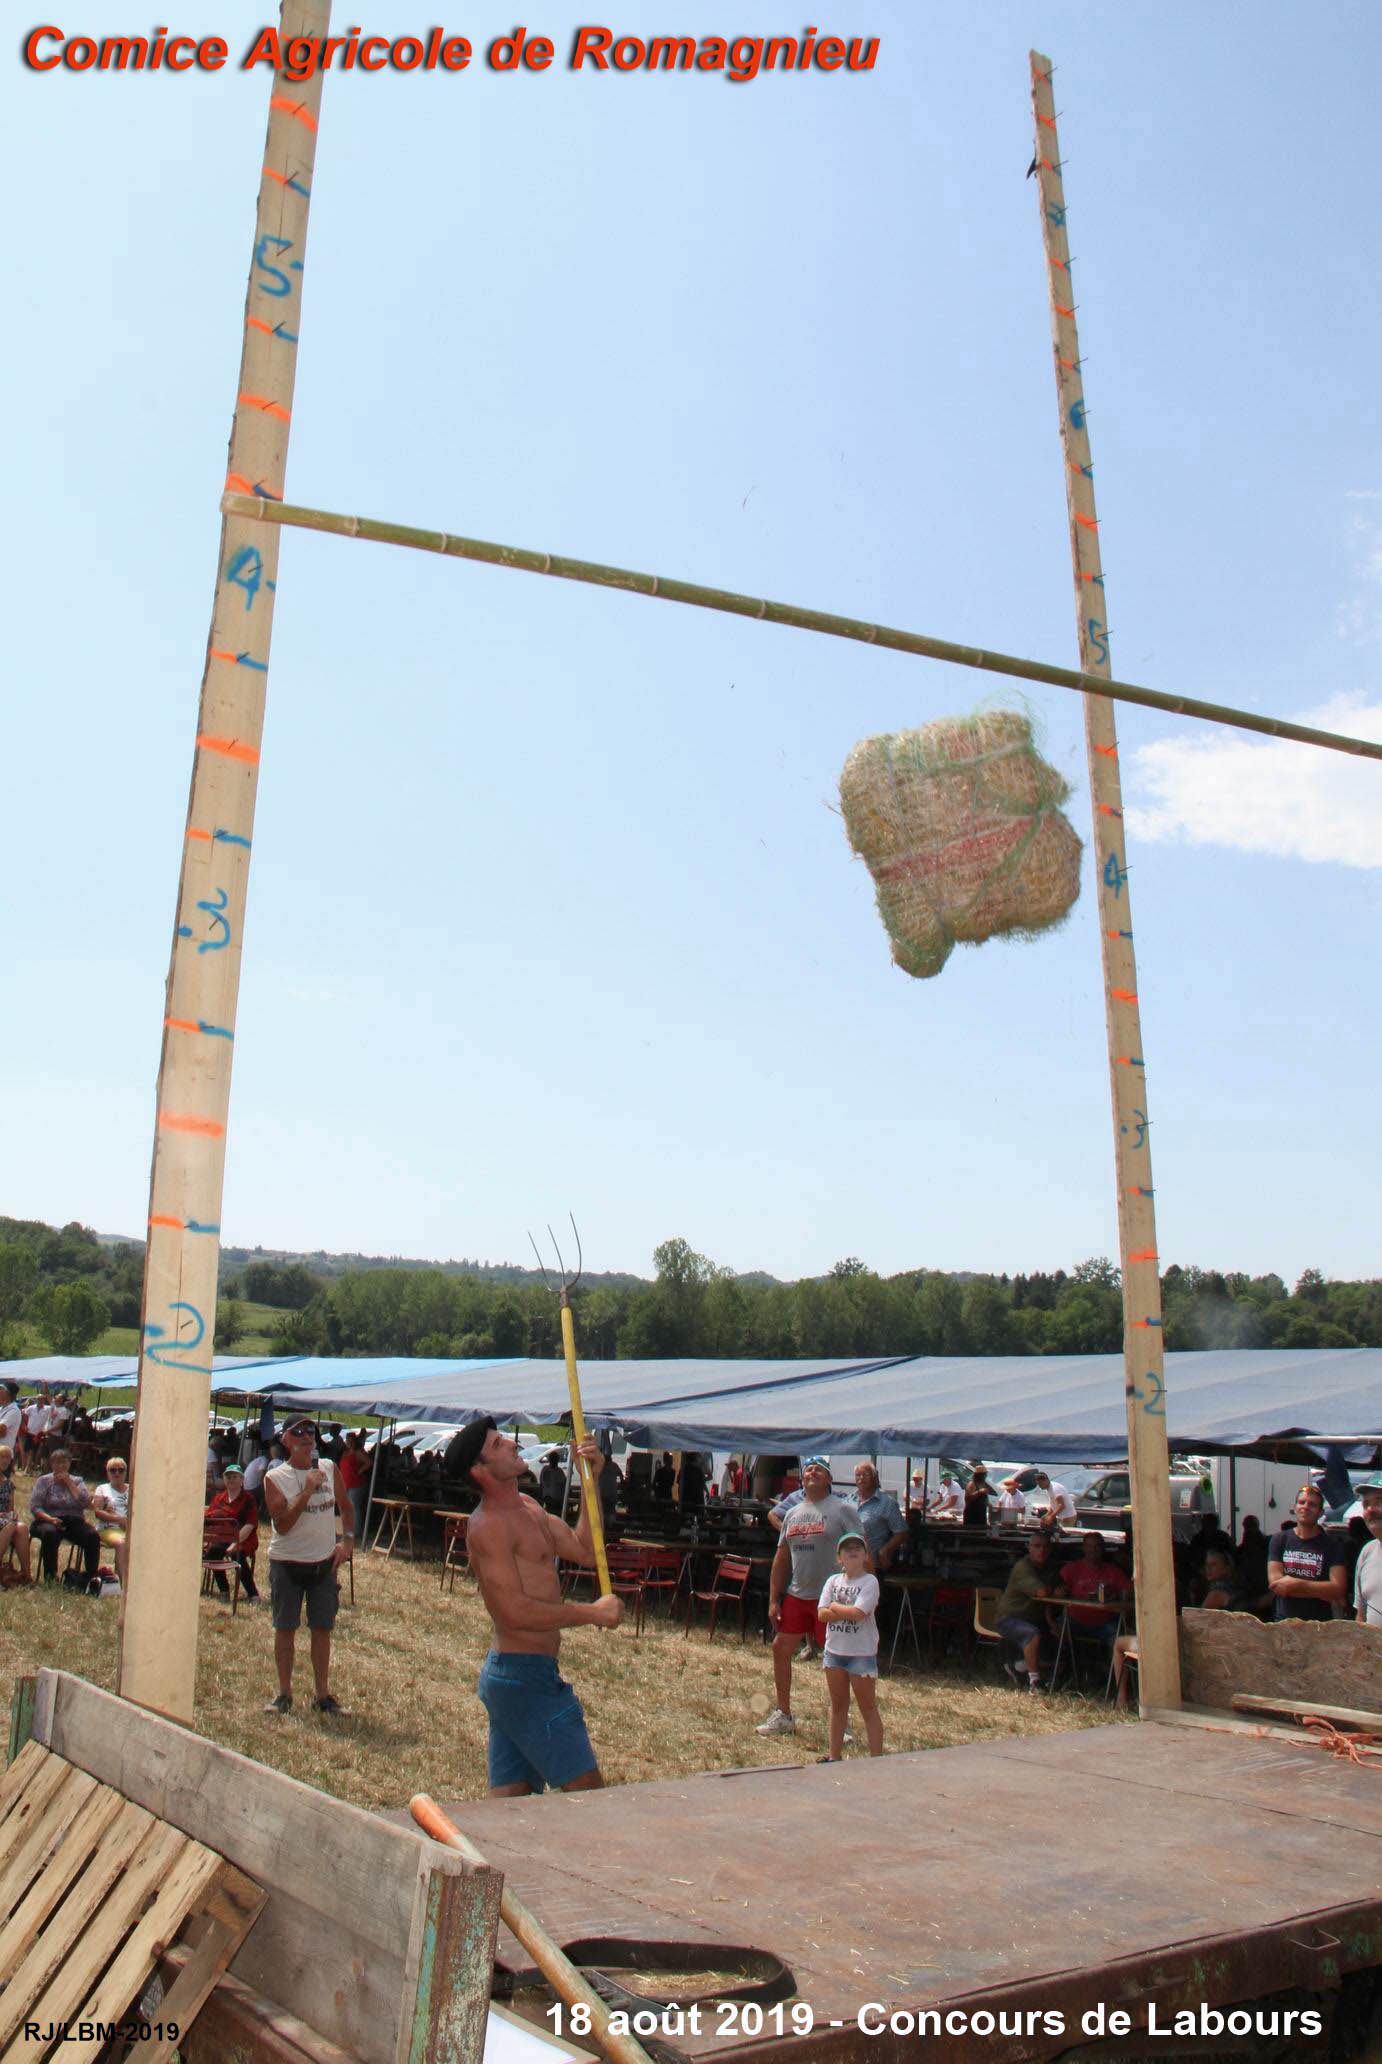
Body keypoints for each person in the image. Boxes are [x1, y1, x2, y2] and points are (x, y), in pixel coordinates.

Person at [456, 1417, 622, 1794]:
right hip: (522, 1678)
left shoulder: (529, 1507)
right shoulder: (488, 1526)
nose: (511, 1444)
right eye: (497, 1445)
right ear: (479, 1471)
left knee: (513, 1806)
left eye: (504, 1438)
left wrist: (591, 1480)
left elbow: (585, 1550)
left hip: (527, 1675)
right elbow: (513, 1612)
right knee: (590, 1797)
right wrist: (593, 1613)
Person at [757, 1457, 859, 1738]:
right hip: (798, 1593)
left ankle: (842, 1723)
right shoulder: (792, 1513)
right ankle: (783, 1715)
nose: (812, 1472)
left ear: (829, 1480)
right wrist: (774, 1600)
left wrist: (865, 1593)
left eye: (819, 1470)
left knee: (835, 1659)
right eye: (808, 1470)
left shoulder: (843, 1510)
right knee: (781, 1647)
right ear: (802, 1480)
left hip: (832, 1597)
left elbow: (861, 1553)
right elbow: (781, 1559)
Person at [263, 1418, 354, 1715]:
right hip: (287, 1563)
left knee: (322, 1628)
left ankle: (322, 1696)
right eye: (298, 1432)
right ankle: (284, 1695)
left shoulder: (328, 1467)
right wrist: (306, 1491)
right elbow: (283, 1525)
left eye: (311, 1431)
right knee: (285, 1628)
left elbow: (346, 1506)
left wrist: (347, 1542)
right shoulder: (275, 1477)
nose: (306, 1436)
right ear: (285, 1440)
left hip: (323, 1564)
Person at [817, 1532, 884, 1761]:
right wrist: (841, 1611)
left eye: (858, 1548)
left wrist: (835, 1607)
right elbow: (821, 1614)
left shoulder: (870, 1582)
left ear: (866, 1556)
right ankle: (834, 1756)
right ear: (839, 1558)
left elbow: (858, 1613)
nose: (853, 1551)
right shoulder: (832, 1581)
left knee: (868, 1707)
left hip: (861, 1654)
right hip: (834, 1653)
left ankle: (877, 1758)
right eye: (847, 1549)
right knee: (838, 1707)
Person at [1268, 1484, 1348, 1621]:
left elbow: (1338, 1589)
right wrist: (1321, 1591)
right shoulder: (1279, 1539)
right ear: (1294, 1508)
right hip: (1284, 1623)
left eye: (1312, 1504)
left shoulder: (1333, 1546)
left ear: (1321, 1512)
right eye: (1301, 1502)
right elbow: (1277, 1585)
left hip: (1319, 1625)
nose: (1305, 1507)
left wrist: (1295, 1584)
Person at [1052, 1532, 1132, 1660]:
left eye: (1097, 1546)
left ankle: (1114, 1671)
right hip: (1074, 1620)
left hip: (1104, 1622)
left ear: (1103, 1548)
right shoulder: (1071, 1569)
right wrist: (1059, 1592)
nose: (1093, 1550)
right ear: (1083, 1548)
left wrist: (1116, 1596)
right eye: (1089, 1546)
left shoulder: (1113, 1571)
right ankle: (1065, 1668)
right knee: (1054, 1632)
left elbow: (1129, 1592)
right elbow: (1055, 1590)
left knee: (1121, 1641)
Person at [994, 1531, 1056, 1692]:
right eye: (1037, 1546)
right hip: (1009, 1619)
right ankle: (1035, 1683)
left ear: (1050, 1549)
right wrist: (1054, 1590)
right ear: (1029, 1548)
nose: (1041, 1550)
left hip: (1035, 1619)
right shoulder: (1023, 1567)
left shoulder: (1049, 1567)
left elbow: (1060, 1589)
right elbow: (1042, 1592)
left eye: (1045, 1547)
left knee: (1062, 1633)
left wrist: (1052, 1622)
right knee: (1032, 1634)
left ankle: (1022, 1668)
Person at [30, 1448, 99, 1583]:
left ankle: (90, 1577)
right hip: (47, 1520)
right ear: (51, 1464)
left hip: (73, 1521)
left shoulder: (77, 1481)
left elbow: (85, 1503)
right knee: (50, 1533)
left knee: (92, 1535)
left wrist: (69, 1483)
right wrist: (50, 1519)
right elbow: (35, 1507)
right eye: (57, 1462)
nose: (60, 1466)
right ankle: (50, 1577)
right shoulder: (44, 1481)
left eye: (64, 1462)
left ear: (69, 1463)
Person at [205, 1461, 261, 1602]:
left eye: (235, 1476)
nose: (231, 1479)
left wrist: (234, 1543)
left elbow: (250, 1525)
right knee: (213, 1552)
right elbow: (208, 1519)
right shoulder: (218, 1498)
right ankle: (224, 1591)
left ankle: (253, 1594)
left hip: (243, 1539)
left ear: (242, 1479)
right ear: (224, 1480)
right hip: (222, 1538)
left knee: (237, 1554)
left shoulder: (248, 1499)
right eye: (228, 1477)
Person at [851, 1463, 907, 1572]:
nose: (861, 1478)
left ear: (875, 1477)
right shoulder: (848, 1500)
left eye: (866, 1475)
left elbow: (902, 1533)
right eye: (858, 1475)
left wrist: (885, 1550)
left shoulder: (887, 1503)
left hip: (872, 1566)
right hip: (848, 1564)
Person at [90, 1454, 131, 1588]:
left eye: (121, 1470)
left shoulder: (132, 1489)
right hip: (107, 1529)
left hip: (130, 1529)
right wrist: (120, 1519)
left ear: (126, 1472)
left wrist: (129, 1523)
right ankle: (123, 1585)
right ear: (107, 1473)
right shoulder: (102, 1489)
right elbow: (98, 1512)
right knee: (122, 1543)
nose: (117, 1473)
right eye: (113, 1470)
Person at [1352, 1477, 1382, 1627]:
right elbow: (1361, 1616)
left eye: (1379, 1502)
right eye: (1366, 1504)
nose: (1370, 1510)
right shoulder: (1367, 1552)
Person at [0, 1445, 33, 1581]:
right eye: (2, 1457)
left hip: (4, 1519)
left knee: (22, 1527)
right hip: (3, 1519)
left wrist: (12, 1514)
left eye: (8, 1458)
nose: (5, 1460)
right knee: (11, 1525)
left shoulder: (9, 1484)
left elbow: (10, 1509)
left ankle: (26, 1574)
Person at [337, 1431, 372, 1545]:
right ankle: (346, 1529)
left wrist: (359, 1470)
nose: (349, 1442)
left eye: (351, 1440)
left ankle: (356, 1531)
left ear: (355, 1441)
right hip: (345, 1483)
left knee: (354, 1507)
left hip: (357, 1484)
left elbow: (368, 1462)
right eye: (348, 1440)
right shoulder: (344, 1452)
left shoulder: (358, 1452)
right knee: (346, 1507)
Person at [963, 1465, 993, 1530]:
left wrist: (989, 1504)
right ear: (980, 1475)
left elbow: (984, 1498)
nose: (986, 1476)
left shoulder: (983, 1484)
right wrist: (978, 1492)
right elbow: (967, 1498)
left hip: (981, 1514)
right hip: (972, 1515)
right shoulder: (972, 1484)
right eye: (984, 1474)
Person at [1, 1383, 24, 1457]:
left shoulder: (14, 1410)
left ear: (8, 1393)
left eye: (1, 1389)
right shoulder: (2, 1408)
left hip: (4, 1455)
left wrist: (2, 1431)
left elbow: (1, 1429)